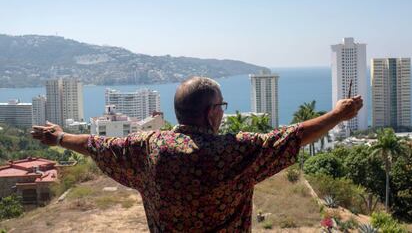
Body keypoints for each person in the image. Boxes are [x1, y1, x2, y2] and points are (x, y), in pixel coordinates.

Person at [31, 76, 363, 232]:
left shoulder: (147, 147)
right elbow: (292, 137)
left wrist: (59, 137)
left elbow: (94, 145)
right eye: (221, 106)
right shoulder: (231, 152)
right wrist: (338, 114)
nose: (222, 112)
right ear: (210, 113)